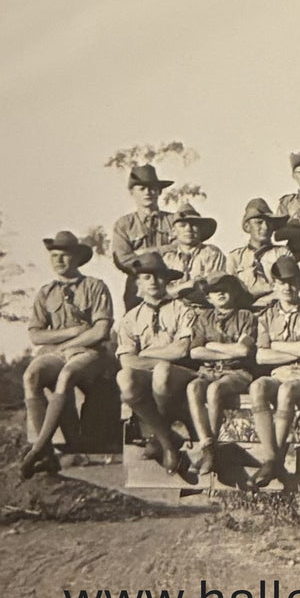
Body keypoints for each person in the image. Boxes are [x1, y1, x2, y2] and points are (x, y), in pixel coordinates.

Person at [20, 231, 114, 479]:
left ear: (77, 258)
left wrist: (68, 343)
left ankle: (36, 449)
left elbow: (101, 330)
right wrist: (72, 332)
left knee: (67, 374)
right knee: (31, 376)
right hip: (58, 353)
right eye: (54, 256)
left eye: (64, 256)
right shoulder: (46, 292)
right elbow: (36, 335)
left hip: (89, 353)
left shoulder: (95, 286)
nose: (59, 261)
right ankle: (48, 454)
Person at [113, 252, 198, 476]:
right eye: (146, 277)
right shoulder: (131, 317)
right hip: (152, 375)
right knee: (124, 378)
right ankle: (168, 440)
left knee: (162, 370)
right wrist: (159, 355)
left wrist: (147, 352)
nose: (153, 282)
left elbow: (181, 350)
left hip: (183, 374)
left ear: (167, 280)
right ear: (138, 281)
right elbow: (126, 360)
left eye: (158, 277)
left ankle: (158, 437)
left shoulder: (182, 309)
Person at [250, 257, 300, 487]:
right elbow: (261, 356)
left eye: (292, 282)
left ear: (299, 284)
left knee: (287, 390)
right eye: (281, 282)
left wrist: (276, 346)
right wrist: (297, 349)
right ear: (274, 285)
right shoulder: (266, 315)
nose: (287, 287)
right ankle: (271, 457)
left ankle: (271, 463)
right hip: (279, 373)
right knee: (258, 387)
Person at [183, 273, 258, 476]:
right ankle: (207, 444)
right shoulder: (203, 319)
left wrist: (212, 345)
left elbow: (243, 351)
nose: (221, 294)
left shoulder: (246, 317)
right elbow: (195, 352)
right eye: (214, 292)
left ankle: (211, 449)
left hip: (237, 372)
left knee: (215, 389)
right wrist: (227, 348)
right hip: (207, 370)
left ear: (233, 292)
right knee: (194, 387)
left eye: (225, 290)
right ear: (208, 298)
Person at [110, 164, 177, 311]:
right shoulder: (124, 224)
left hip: (172, 283)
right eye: (142, 188)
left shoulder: (174, 221)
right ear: (132, 192)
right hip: (138, 288)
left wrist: (147, 252)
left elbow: (182, 248)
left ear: (159, 191)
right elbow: (123, 259)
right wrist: (160, 256)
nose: (148, 192)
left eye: (152, 188)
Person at [227, 198, 289, 302]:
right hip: (246, 312)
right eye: (259, 222)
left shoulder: (282, 253)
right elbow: (230, 293)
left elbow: (288, 287)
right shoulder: (235, 257)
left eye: (269, 223)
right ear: (247, 227)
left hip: (276, 310)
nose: (265, 227)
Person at [164, 204, 226, 294]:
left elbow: (212, 286)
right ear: (174, 231)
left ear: (200, 229)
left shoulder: (212, 253)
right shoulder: (168, 259)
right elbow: (162, 292)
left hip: (204, 306)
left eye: (194, 225)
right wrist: (190, 284)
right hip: (172, 306)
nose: (188, 229)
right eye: (182, 225)